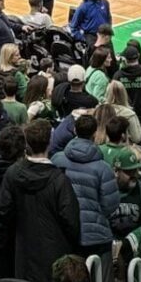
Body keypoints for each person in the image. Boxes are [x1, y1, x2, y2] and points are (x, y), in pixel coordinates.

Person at [0, 119, 83, 282]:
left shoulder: (12, 174)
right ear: (49, 144)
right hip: (54, 256)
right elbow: (71, 222)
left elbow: (3, 214)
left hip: (23, 254)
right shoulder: (59, 180)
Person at [51, 113, 120, 268]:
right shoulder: (104, 169)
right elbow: (110, 205)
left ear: (75, 130)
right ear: (95, 133)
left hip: (63, 232)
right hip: (95, 236)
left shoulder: (56, 159)